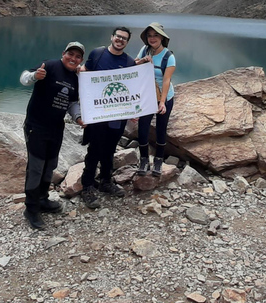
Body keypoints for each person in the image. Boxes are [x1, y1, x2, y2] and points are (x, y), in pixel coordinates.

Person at [20, 41, 85, 230]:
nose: (73, 59)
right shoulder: (49, 66)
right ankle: (31, 209)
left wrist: (78, 117)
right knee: (36, 167)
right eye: (70, 54)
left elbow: (72, 104)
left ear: (81, 60)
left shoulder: (75, 78)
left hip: (56, 127)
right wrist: (34, 76)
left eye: (77, 56)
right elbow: (24, 78)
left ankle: (42, 199)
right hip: (36, 126)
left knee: (50, 165)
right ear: (63, 53)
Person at [78, 26, 136, 209]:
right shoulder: (98, 54)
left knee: (110, 148)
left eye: (124, 39)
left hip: (117, 115)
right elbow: (85, 73)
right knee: (94, 149)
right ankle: (86, 186)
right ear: (112, 37)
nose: (120, 40)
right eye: (118, 36)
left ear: (127, 42)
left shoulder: (129, 62)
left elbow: (131, 88)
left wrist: (133, 111)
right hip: (96, 114)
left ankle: (105, 181)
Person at [134, 22, 176, 177]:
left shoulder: (168, 57)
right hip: (147, 96)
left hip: (163, 97)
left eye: (155, 35)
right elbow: (134, 64)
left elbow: (166, 81)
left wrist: (163, 102)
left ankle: (158, 160)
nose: (152, 38)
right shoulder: (145, 50)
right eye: (149, 35)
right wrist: (143, 61)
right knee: (143, 127)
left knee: (161, 128)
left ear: (162, 37)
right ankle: (144, 159)